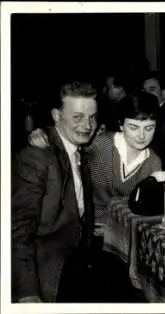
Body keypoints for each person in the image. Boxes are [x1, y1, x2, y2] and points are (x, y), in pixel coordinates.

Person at [12, 81, 99, 302]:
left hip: (76, 260)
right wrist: (27, 293)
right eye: (77, 117)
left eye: (92, 117)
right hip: (46, 271)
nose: (87, 125)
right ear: (56, 116)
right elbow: (18, 229)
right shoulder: (37, 156)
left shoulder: (79, 151)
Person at [29, 91, 163, 225]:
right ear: (121, 125)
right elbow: (65, 142)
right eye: (134, 127)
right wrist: (43, 133)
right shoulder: (100, 143)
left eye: (149, 128)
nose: (142, 135)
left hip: (122, 233)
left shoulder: (154, 163)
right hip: (84, 227)